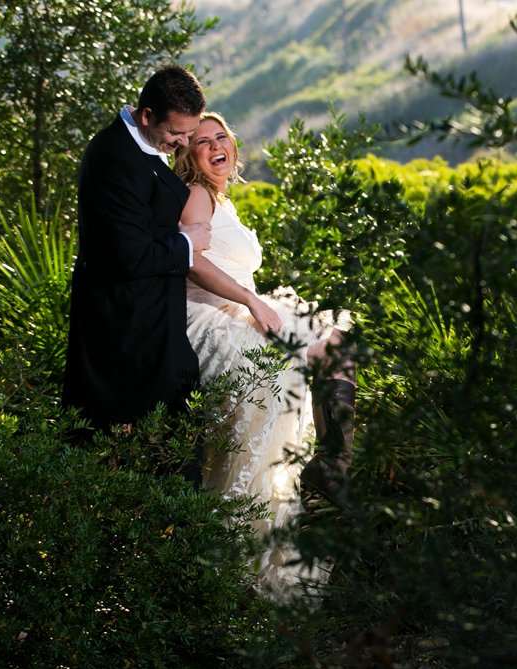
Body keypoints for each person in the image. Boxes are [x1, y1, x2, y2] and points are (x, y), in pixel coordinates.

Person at [173, 112, 357, 601]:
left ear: (232, 146)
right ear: (188, 154)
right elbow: (191, 261)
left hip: (245, 306)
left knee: (337, 337)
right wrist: (253, 303)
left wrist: (258, 304)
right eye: (201, 141)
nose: (215, 146)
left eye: (220, 137)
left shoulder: (221, 200)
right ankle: (324, 469)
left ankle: (332, 461)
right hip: (215, 315)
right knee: (289, 369)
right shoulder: (195, 196)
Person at [61, 64, 213, 433]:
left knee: (170, 439)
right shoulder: (116, 159)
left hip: (155, 318)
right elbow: (130, 256)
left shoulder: (144, 144)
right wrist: (186, 242)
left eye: (190, 133)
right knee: (145, 442)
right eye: (177, 133)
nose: (183, 143)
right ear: (147, 115)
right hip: (126, 328)